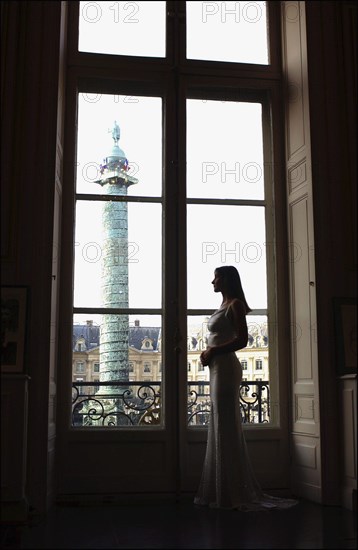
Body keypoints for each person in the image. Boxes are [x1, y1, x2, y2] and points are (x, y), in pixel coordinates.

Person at [194, 265, 298, 511]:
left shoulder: (235, 305)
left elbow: (242, 340)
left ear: (227, 280)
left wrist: (212, 350)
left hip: (226, 368)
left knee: (225, 422)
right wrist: (210, 352)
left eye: (216, 277)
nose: (212, 281)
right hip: (217, 367)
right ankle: (223, 489)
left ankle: (229, 491)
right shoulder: (225, 305)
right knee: (220, 422)